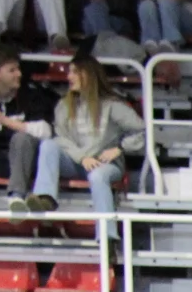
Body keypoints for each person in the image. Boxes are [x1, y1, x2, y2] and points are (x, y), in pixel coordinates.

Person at [17, 52, 141, 217]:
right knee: (49, 145)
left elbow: (141, 129)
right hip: (76, 161)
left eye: (75, 72)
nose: (69, 77)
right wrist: (82, 158)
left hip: (104, 164)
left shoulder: (112, 104)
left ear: (89, 75)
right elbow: (60, 137)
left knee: (97, 176)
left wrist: (119, 148)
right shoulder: (64, 105)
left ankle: (107, 231)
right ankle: (45, 198)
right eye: (69, 72)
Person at [0, 43, 51, 203]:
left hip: (23, 161)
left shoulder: (31, 95)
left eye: (18, 69)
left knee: (22, 138)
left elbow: (46, 131)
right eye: (12, 70)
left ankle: (16, 197)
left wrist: (3, 120)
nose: (19, 74)